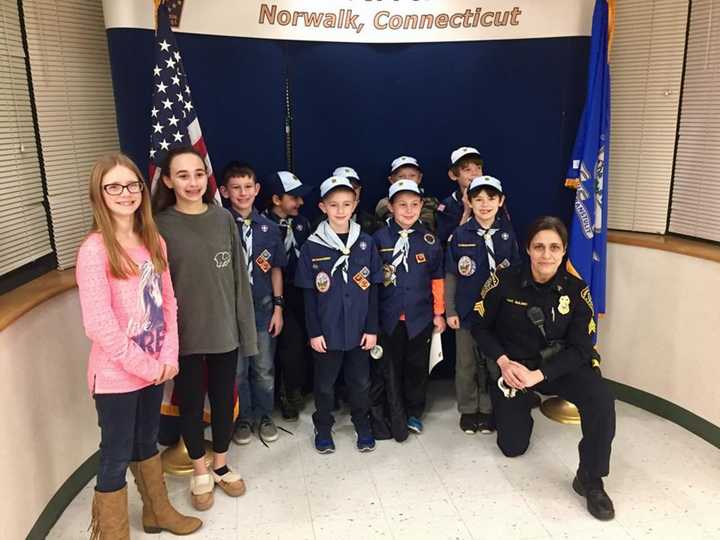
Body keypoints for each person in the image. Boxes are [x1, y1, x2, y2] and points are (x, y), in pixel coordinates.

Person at [77, 153, 201, 537]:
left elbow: (169, 302)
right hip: (117, 376)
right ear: (99, 194)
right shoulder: (95, 250)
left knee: (147, 441)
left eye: (132, 185)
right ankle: (113, 532)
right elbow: (99, 325)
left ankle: (157, 512)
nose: (125, 193)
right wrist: (148, 367)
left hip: (154, 369)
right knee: (115, 454)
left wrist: (167, 356)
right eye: (113, 186)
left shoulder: (154, 241)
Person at [471, 216, 616, 521]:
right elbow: (480, 327)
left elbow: (581, 347)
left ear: (564, 252)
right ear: (528, 249)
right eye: (539, 247)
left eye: (554, 247)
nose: (546, 254)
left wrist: (540, 375)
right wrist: (502, 362)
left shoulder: (577, 290)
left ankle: (591, 479)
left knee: (601, 398)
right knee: (512, 448)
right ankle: (524, 404)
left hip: (559, 368)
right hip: (514, 369)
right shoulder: (504, 281)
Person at [153, 146, 257, 511]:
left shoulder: (223, 219)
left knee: (224, 398)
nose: (192, 182)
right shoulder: (159, 225)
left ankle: (221, 464)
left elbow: (239, 282)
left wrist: (246, 333)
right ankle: (199, 470)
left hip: (224, 333)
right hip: (183, 338)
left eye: (198, 174)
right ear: (168, 180)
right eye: (182, 175)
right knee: (193, 404)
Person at [295, 176, 383, 453]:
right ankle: (323, 427)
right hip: (327, 329)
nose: (341, 210)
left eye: (346, 204)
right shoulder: (312, 246)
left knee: (360, 382)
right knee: (324, 385)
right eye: (334, 205)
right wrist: (314, 332)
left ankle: (362, 423)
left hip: (359, 329)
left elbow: (373, 291)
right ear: (323, 207)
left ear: (355, 204)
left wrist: (372, 328)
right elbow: (308, 294)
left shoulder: (366, 243)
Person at [371, 180, 446, 440]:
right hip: (388, 316)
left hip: (420, 317)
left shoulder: (429, 239)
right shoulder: (378, 239)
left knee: (416, 366)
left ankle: (413, 411)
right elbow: (372, 282)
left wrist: (438, 313)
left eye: (414, 204)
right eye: (402, 205)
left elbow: (437, 279)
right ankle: (393, 409)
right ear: (391, 207)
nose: (409, 210)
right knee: (389, 365)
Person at [445, 175, 520, 435]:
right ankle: (468, 410)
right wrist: (450, 310)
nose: (484, 204)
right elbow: (451, 275)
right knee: (465, 364)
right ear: (469, 201)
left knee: (492, 362)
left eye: (491, 199)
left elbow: (516, 276)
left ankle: (488, 409)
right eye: (478, 199)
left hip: (497, 316)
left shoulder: (507, 236)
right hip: (466, 312)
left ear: (501, 201)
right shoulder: (459, 234)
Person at [219, 162, 287, 445]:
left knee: (263, 367)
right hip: (230, 310)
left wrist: (279, 308)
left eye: (248, 187)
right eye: (236, 188)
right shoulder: (219, 226)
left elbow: (275, 269)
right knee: (237, 370)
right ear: (224, 191)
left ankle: (265, 414)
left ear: (257, 189)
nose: (243, 193)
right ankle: (243, 417)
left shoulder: (270, 229)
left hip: (262, 308)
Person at [262, 171, 314, 421]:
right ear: (275, 199)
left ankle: (301, 387)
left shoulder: (303, 223)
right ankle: (286, 394)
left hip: (304, 290)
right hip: (275, 293)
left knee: (303, 343)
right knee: (287, 347)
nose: (300, 202)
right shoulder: (264, 226)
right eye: (294, 198)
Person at [375, 156, 440, 232]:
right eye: (401, 176)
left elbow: (429, 226)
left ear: (419, 178)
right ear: (391, 180)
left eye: (412, 176)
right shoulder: (384, 204)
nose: (407, 179)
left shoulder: (432, 202)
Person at [436, 146, 484, 244]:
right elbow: (446, 244)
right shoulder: (446, 206)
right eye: (467, 170)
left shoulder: (493, 201)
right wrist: (466, 212)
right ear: (453, 175)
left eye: (478, 168)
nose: (474, 174)